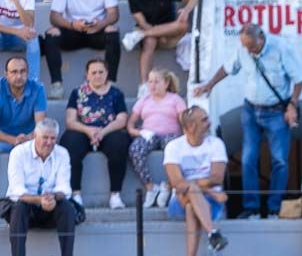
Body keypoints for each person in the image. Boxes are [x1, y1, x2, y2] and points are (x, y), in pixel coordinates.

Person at [192, 23, 302, 219]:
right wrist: (209, 85)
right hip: (251, 110)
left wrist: (292, 105)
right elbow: (227, 68)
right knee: (248, 159)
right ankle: (250, 207)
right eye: (245, 46)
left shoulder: (281, 48)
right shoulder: (243, 50)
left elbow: (299, 79)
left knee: (279, 161)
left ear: (261, 37)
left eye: (251, 46)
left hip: (277, 111)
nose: (248, 50)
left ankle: (273, 209)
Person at [4, 120, 78, 256]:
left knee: (67, 208)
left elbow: (64, 188)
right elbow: (17, 192)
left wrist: (52, 198)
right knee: (18, 208)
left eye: (53, 138)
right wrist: (39, 200)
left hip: (50, 205)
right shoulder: (18, 153)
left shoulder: (62, 153)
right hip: (26, 207)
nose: (49, 142)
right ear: (35, 136)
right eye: (45, 137)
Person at [162, 106, 229, 256]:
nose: (209, 123)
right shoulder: (173, 147)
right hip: (179, 202)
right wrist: (210, 190)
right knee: (190, 192)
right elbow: (177, 183)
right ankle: (212, 233)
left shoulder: (216, 144)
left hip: (206, 203)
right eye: (204, 120)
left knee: (192, 205)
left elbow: (217, 178)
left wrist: (192, 186)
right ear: (191, 127)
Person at [59, 59, 129, 209]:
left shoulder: (116, 93)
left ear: (107, 73)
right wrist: (89, 130)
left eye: (101, 72)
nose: (97, 75)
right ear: (87, 75)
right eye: (93, 72)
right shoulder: (77, 92)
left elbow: (122, 119)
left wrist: (102, 132)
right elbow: (70, 121)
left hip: (108, 131)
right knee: (70, 141)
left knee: (119, 141)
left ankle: (115, 195)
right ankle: (75, 194)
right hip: (84, 130)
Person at [127, 68, 185, 209]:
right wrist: (138, 132)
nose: (152, 85)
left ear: (165, 83)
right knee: (135, 149)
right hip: (149, 134)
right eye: (150, 82)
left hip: (170, 135)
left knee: (175, 150)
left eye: (156, 82)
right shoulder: (144, 100)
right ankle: (151, 187)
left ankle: (168, 185)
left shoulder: (175, 99)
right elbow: (130, 124)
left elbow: (184, 121)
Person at [42, 0, 119, 99]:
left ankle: (110, 84)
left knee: (112, 31)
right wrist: (72, 25)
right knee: (51, 33)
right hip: (72, 30)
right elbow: (54, 17)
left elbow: (114, 14)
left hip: (97, 30)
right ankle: (57, 85)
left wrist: (100, 24)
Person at [122, 0, 195, 89]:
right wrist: (156, 33)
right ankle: (144, 86)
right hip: (147, 29)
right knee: (150, 41)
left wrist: (186, 10)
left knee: (183, 25)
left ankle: (140, 35)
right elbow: (142, 22)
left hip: (168, 30)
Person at [0, 54, 45, 154]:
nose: (19, 76)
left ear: (28, 73)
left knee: (46, 142)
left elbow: (40, 125)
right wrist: (14, 140)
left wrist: (28, 138)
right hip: (3, 140)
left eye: (22, 71)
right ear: (6, 74)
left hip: (29, 139)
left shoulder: (38, 89)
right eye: (14, 72)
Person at [0, 0, 39, 85]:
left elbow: (29, 24)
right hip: (2, 36)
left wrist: (16, 1)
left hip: (19, 39)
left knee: (32, 37)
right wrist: (17, 31)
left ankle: (32, 84)